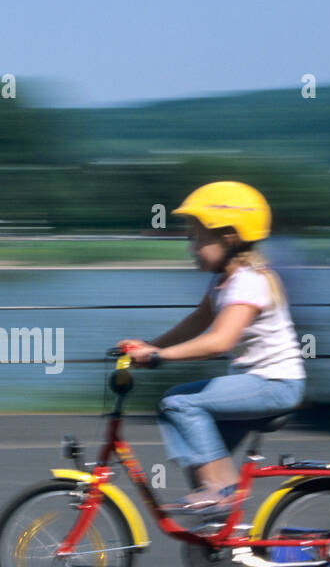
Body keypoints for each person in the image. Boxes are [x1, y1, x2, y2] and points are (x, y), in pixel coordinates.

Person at [117, 181, 305, 515]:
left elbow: (220, 341)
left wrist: (159, 357)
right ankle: (226, 536)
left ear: (229, 237)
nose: (191, 248)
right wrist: (150, 346)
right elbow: (197, 320)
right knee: (194, 450)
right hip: (255, 383)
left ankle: (220, 493)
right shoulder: (224, 281)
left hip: (275, 384)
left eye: (197, 238)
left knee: (179, 403)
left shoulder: (249, 281)